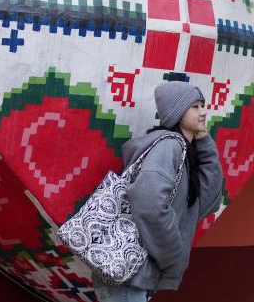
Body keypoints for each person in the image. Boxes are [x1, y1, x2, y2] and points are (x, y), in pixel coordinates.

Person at [93, 81, 224, 302]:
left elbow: (208, 201)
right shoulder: (168, 147)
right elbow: (149, 204)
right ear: (177, 112)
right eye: (195, 107)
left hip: (137, 273)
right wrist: (173, 255)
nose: (203, 112)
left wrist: (204, 142)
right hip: (129, 274)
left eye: (202, 105)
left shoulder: (183, 151)